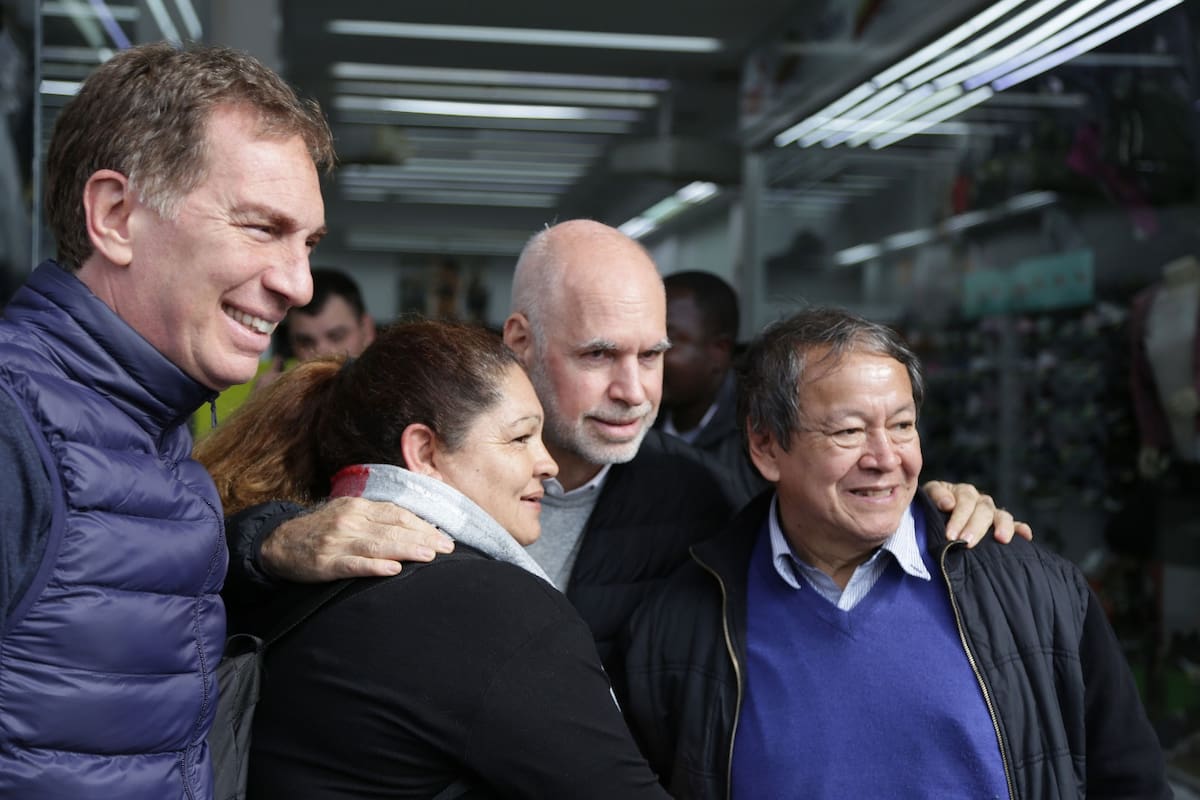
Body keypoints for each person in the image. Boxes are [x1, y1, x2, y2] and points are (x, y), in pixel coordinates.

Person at [229, 220, 1027, 685]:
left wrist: (928, 516)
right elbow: (201, 584)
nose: (634, 391)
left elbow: (818, 557)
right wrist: (267, 543)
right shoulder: (415, 465)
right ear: (520, 340)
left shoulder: (694, 495)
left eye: (651, 356)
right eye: (598, 355)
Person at [622, 307, 1170, 799]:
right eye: (849, 431)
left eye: (903, 426)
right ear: (766, 445)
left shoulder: (1033, 590)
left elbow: (1131, 782)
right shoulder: (683, 622)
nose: (886, 458)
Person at [0, 42, 334, 799]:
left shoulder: (153, 431)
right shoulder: (15, 426)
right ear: (116, 216)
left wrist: (257, 548)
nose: (300, 284)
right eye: (261, 228)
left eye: (308, 243)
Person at [194, 320, 671, 799]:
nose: (546, 464)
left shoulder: (277, 566)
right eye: (521, 438)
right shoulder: (493, 609)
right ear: (424, 452)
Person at [193, 267, 377, 436]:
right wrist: (255, 415)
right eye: (305, 341)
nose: (322, 352)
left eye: (336, 336)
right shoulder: (234, 384)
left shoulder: (389, 390)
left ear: (367, 330)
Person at [658, 269, 767, 499]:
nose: (646, 354)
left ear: (719, 351)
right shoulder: (632, 421)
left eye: (666, 341)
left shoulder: (759, 439)